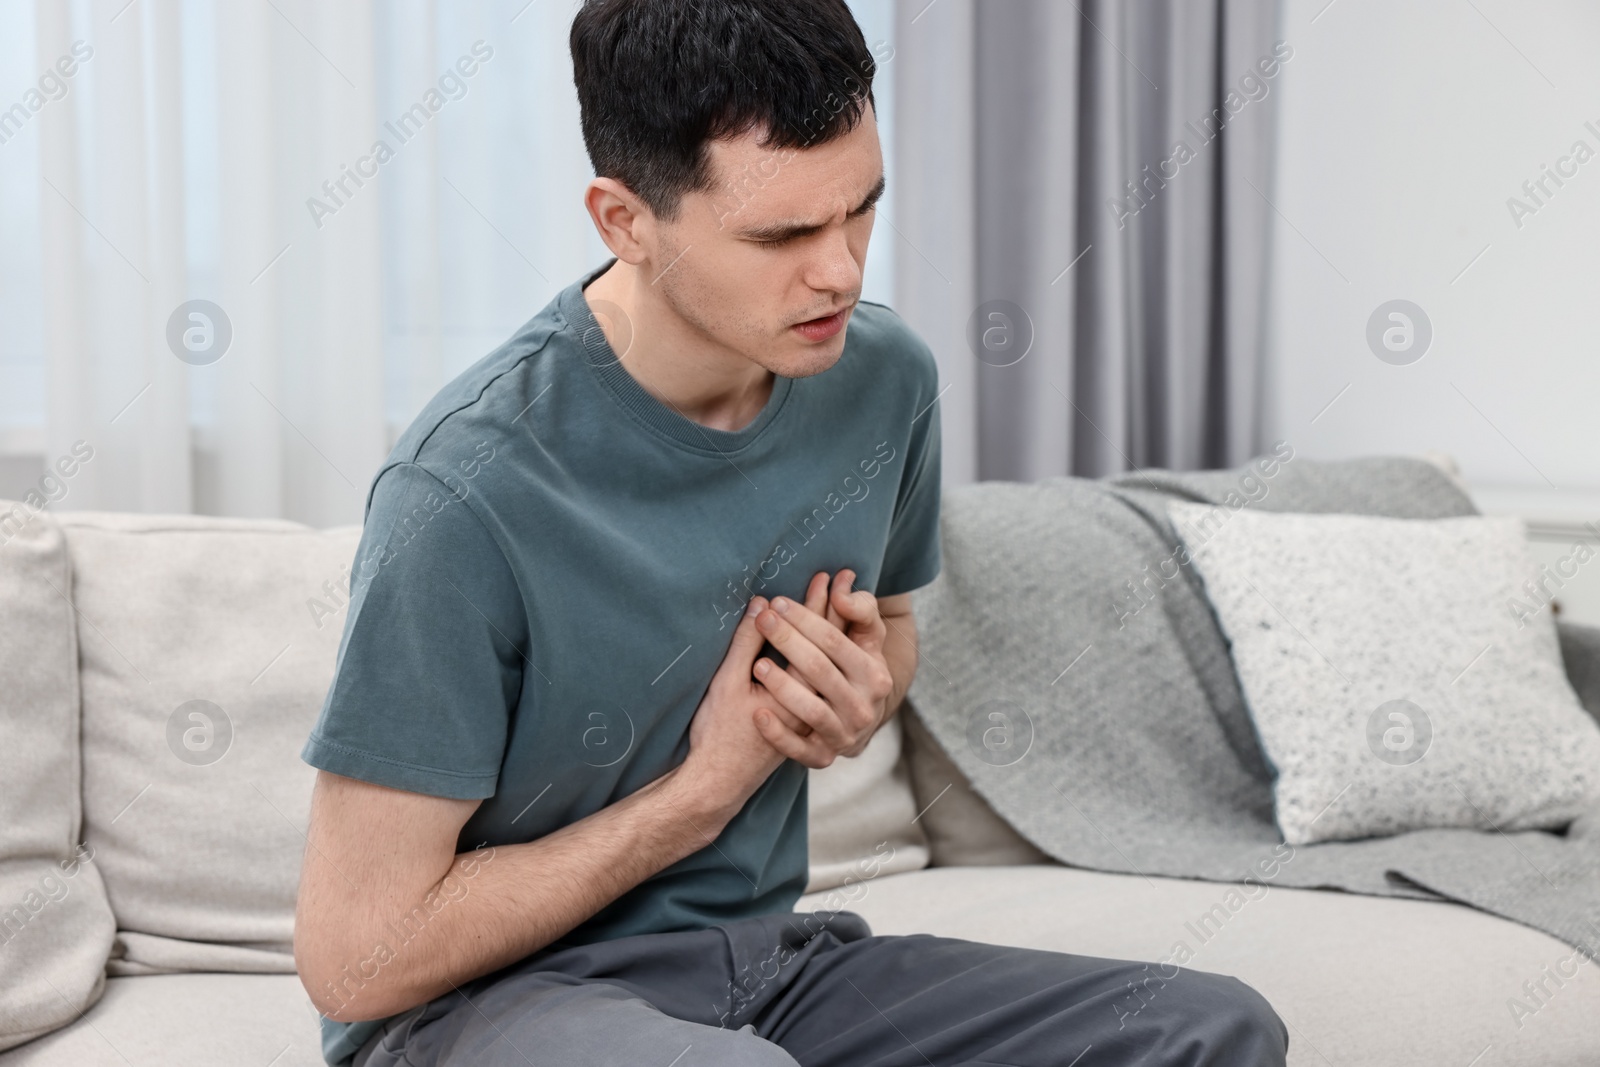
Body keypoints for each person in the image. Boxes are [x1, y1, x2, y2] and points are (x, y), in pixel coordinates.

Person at [293, 1, 1290, 1064]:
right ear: (624, 220)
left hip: (766, 966)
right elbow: (357, 958)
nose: (843, 272)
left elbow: (890, 624)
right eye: (782, 235)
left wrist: (864, 690)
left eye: (861, 210)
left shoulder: (881, 380)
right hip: (482, 1007)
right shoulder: (462, 489)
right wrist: (699, 796)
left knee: (1209, 1024)